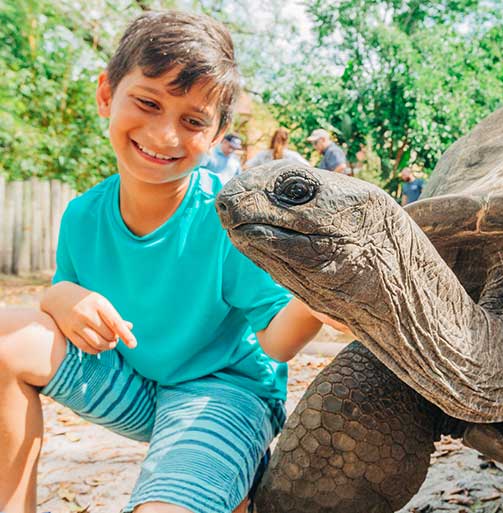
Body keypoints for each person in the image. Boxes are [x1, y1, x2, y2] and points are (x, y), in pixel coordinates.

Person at [0, 11, 347, 513]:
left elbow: (277, 338)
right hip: (137, 388)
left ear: (217, 134)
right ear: (105, 94)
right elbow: (60, 301)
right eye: (147, 102)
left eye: (192, 121)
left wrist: (321, 296)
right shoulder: (83, 215)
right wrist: (61, 295)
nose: (164, 135)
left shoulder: (228, 218)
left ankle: (225, 466)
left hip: (222, 392)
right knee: (7, 338)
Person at [245, 127, 309, 168]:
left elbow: (246, 167)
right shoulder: (293, 156)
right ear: (286, 141)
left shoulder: (262, 155)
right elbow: (308, 167)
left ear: (272, 140)